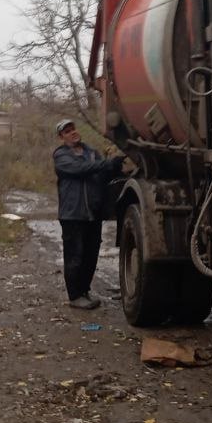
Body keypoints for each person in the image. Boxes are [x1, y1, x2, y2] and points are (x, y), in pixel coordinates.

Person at [53, 119, 123, 310]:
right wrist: (104, 165)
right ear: (61, 137)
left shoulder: (92, 153)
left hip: (93, 213)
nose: (72, 132)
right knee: (74, 256)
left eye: (73, 129)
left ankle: (84, 291)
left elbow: (103, 173)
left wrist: (113, 167)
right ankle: (75, 296)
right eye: (67, 131)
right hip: (73, 214)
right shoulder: (61, 155)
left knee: (90, 256)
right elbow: (79, 169)